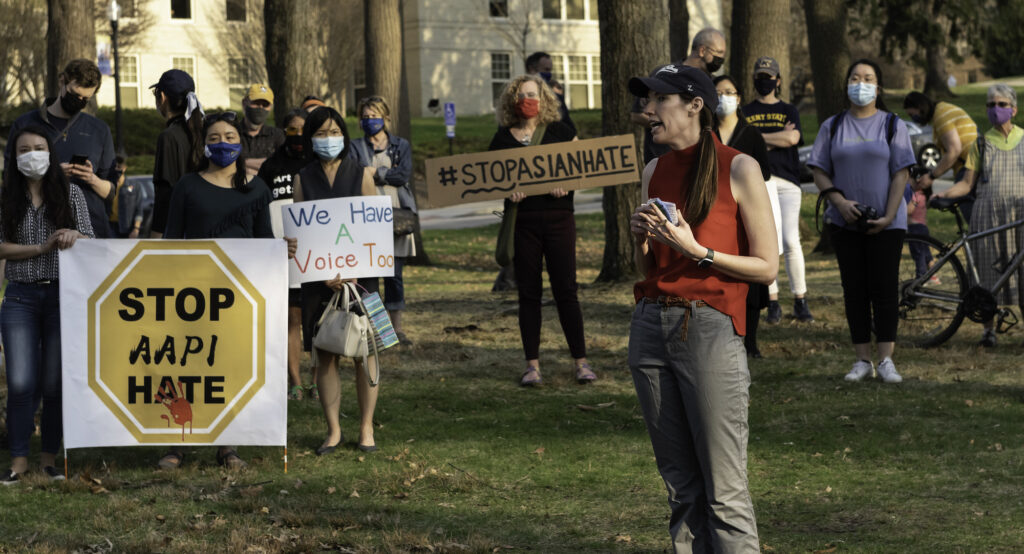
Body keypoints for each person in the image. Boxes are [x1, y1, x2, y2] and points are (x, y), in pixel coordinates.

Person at [627, 64, 777, 552]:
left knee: (724, 491)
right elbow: (649, 268)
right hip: (650, 327)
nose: (647, 110)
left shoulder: (739, 167)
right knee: (681, 489)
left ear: (695, 105)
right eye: (645, 100)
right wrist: (642, 240)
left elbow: (767, 267)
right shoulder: (652, 170)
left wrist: (700, 252)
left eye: (658, 100)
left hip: (709, 329)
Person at [159, 112, 297, 469]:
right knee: (187, 366)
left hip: (239, 296)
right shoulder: (187, 187)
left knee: (229, 367)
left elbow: (264, 242)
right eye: (215, 137)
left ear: (242, 143)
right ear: (204, 144)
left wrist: (281, 250)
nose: (223, 143)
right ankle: (177, 442)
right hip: (193, 295)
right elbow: (171, 242)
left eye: (230, 136)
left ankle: (228, 443)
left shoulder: (257, 189)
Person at [807, 59, 915, 383]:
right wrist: (839, 202)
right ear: (847, 84)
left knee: (884, 290)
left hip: (887, 224)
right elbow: (818, 169)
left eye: (868, 78)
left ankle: (886, 360)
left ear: (878, 87)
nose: (861, 83)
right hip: (844, 223)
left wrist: (888, 215)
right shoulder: (833, 125)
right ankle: (861, 360)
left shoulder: (893, 125)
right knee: (854, 290)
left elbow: (901, 173)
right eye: (855, 77)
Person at [488, 74, 595, 387]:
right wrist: (508, 192)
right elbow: (490, 179)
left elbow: (583, 168)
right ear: (511, 101)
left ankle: (581, 361)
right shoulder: (502, 139)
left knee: (567, 291)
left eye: (532, 94)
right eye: (521, 95)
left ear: (545, 98)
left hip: (560, 219)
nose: (527, 100)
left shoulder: (562, 131)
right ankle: (531, 365)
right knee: (529, 294)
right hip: (524, 224)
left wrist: (568, 184)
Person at [0, 126, 94, 484]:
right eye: (24, 149)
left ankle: (49, 460)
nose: (32, 154)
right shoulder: (6, 196)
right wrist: (40, 248)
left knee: (55, 384)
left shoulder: (71, 195)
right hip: (20, 296)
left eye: (39, 147)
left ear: (50, 153)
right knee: (21, 382)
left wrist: (76, 235)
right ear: (15, 156)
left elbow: (93, 241)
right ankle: (18, 462)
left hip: (62, 296)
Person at [293, 106, 381, 455]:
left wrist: (353, 267)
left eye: (334, 132)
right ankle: (332, 430)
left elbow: (372, 227)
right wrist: (318, 268)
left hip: (361, 278)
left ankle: (366, 427)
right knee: (325, 352)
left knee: (367, 350)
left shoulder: (361, 174)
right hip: (318, 280)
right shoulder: (303, 178)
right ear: (309, 138)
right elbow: (300, 230)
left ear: (343, 135)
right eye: (320, 133)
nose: (328, 139)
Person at [935, 83, 1024, 348]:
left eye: (1001, 104)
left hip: (1020, 214)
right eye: (990, 105)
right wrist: (944, 195)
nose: (995, 110)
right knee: (987, 275)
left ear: (1014, 110)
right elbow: (967, 183)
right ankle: (988, 331)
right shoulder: (981, 143)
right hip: (988, 215)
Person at [4, 59, 116, 239]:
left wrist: (91, 178)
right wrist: (51, 174)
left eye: (85, 99)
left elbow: (110, 192)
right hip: (39, 230)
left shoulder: (99, 130)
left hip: (90, 230)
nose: (79, 101)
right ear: (62, 81)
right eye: (74, 95)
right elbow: (9, 179)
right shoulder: (25, 124)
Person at [743, 56, 814, 324]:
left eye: (768, 76)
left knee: (791, 241)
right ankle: (772, 302)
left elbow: (793, 138)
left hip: (788, 182)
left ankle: (800, 299)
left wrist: (759, 139)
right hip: (759, 182)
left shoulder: (789, 109)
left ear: (778, 80)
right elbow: (744, 143)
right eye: (760, 76)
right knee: (767, 242)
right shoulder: (745, 111)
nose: (764, 81)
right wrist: (776, 139)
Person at [713, 74, 774, 359]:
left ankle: (750, 342)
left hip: (745, 213)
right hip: (716, 213)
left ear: (738, 98)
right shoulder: (705, 133)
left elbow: (765, 173)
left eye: (729, 92)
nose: (724, 97)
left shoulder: (751, 134)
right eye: (719, 92)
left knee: (749, 275)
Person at [350, 96, 417, 346]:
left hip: (396, 215)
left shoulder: (401, 145)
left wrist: (375, 172)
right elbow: (354, 173)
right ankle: (379, 329)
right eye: (365, 116)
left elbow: (402, 176)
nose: (370, 120)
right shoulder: (355, 146)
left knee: (394, 274)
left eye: (374, 115)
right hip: (366, 217)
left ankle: (397, 329)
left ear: (386, 117)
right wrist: (381, 175)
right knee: (370, 276)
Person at [258, 108, 310, 399]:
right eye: (292, 129)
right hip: (285, 256)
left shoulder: (317, 162)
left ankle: (317, 380)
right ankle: (296, 381)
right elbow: (263, 208)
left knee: (315, 322)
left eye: (303, 129)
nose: (298, 135)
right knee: (292, 318)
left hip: (317, 256)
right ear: (283, 132)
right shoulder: (271, 166)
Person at [632, 28, 728, 164]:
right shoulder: (663, 75)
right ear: (702, 50)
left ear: (696, 105)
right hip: (661, 159)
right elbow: (637, 114)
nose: (721, 59)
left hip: (701, 162)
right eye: (718, 52)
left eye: (661, 99)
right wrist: (669, 125)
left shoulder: (714, 83)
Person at [903, 91, 979, 220]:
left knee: (974, 222)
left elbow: (954, 150)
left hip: (968, 168)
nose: (913, 118)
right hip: (970, 165)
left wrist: (932, 176)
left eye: (912, 114)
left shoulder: (941, 115)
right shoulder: (943, 110)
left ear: (920, 107)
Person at [149, 68, 205, 238]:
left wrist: (156, 236)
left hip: (178, 231)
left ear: (163, 98)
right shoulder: (206, 131)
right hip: (207, 226)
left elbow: (165, 192)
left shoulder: (169, 137)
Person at [240, 84, 285, 177]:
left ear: (271, 107)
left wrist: (243, 163)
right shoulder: (232, 133)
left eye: (265, 105)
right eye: (256, 103)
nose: (260, 107)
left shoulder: (277, 135)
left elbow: (283, 164)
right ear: (244, 103)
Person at [525, 52, 575, 133]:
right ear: (532, 70)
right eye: (546, 69)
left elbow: (566, 122)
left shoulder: (554, 92)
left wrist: (558, 97)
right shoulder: (517, 94)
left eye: (550, 70)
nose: (549, 74)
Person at [110, 155, 146, 238]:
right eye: (114, 167)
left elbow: (139, 208)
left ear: (124, 168)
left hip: (127, 228)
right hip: (110, 227)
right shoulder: (107, 184)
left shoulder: (134, 185)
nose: (116, 169)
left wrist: (136, 229)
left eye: (119, 167)